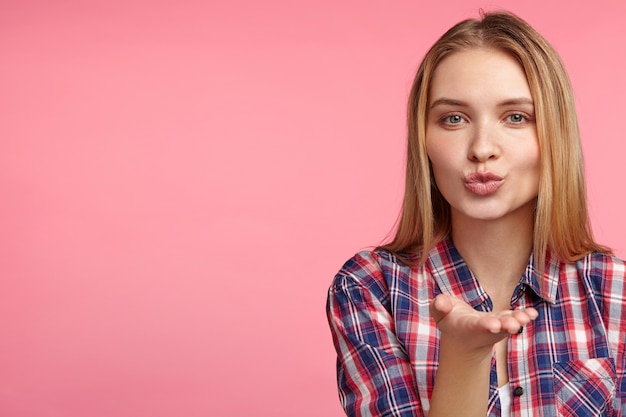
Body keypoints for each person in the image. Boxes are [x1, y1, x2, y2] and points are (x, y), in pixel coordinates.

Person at [326, 10, 626, 417]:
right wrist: (463, 357)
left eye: (515, 117)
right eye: (454, 119)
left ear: (554, 135)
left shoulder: (616, 292)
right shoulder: (369, 288)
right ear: (424, 140)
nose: (482, 147)